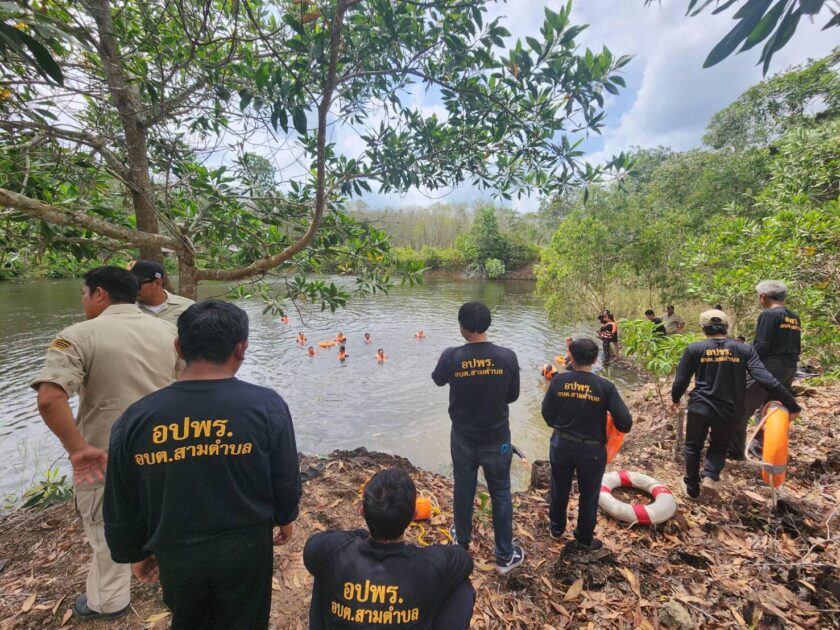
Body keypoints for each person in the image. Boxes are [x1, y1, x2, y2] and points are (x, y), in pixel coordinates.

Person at [103, 300, 302, 630]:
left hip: (175, 547)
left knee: (189, 618)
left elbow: (121, 497)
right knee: (246, 619)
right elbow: (283, 476)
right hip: (245, 546)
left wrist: (134, 551)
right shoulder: (266, 407)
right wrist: (285, 517)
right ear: (241, 348)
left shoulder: (136, 418)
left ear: (179, 347)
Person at [30, 266, 181, 621]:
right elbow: (187, 382)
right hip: (165, 448)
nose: (83, 301)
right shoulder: (169, 331)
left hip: (105, 454)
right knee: (163, 513)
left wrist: (78, 449)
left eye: (83, 293)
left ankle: (109, 601)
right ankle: (173, 581)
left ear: (99, 293)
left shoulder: (77, 336)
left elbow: (50, 399)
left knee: (105, 526)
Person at [304, 468, 474, 629]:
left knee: (325, 564)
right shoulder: (431, 563)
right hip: (424, 576)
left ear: (362, 511)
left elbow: (311, 550)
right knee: (463, 587)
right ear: (414, 516)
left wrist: (361, 534)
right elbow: (465, 560)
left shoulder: (336, 550)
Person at [431, 301, 524, 574]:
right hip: (498, 438)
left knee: (464, 487)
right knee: (501, 492)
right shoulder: (507, 357)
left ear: (461, 326)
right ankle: (504, 555)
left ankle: (461, 541)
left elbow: (438, 380)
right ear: (487, 324)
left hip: (462, 437)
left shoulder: (452, 356)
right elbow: (512, 396)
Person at [671, 310, 801, 500]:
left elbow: (681, 381)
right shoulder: (744, 350)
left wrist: (675, 399)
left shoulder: (694, 349)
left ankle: (692, 486)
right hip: (730, 409)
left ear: (702, 327)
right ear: (726, 327)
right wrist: (792, 404)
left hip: (700, 406)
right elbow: (766, 379)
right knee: (720, 444)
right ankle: (710, 475)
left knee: (693, 445)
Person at [541, 339, 632, 550]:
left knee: (559, 488)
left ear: (571, 358)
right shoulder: (605, 387)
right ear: (595, 359)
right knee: (589, 494)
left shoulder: (558, 381)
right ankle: (584, 538)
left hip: (562, 444)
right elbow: (625, 423)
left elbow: (547, 414)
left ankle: (556, 529)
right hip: (592, 450)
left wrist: (562, 426)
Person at [730, 280, 802, 460]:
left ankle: (734, 451)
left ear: (763, 297)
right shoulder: (794, 317)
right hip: (789, 368)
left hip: (769, 368)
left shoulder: (768, 315)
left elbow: (762, 345)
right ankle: (764, 450)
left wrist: (743, 361)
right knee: (769, 409)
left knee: (740, 407)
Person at [129, 260, 194, 324]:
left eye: (137, 284)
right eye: (130, 284)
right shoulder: (128, 309)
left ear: (158, 283)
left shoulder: (187, 307)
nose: (133, 288)